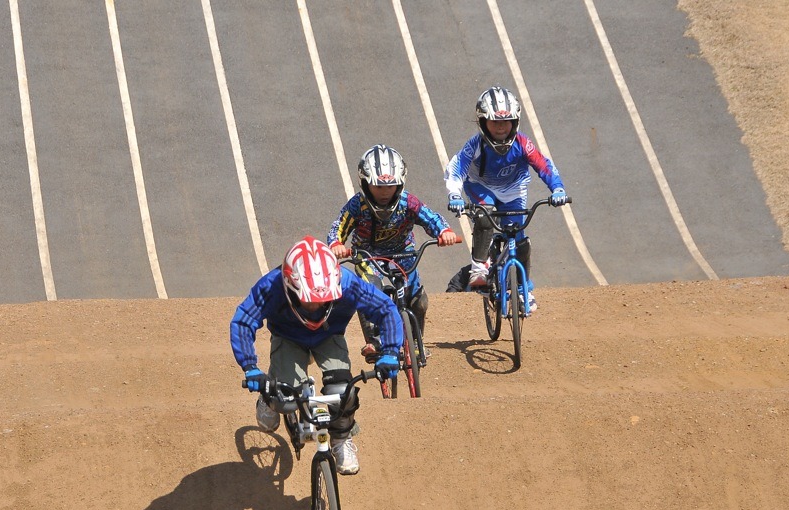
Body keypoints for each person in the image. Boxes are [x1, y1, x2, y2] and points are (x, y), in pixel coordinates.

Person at [231, 236, 403, 475]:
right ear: (290, 286)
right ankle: (267, 400)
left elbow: (385, 308)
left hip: (328, 335)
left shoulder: (348, 283)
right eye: (308, 302)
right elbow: (243, 321)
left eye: (322, 301)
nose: (314, 308)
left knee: (344, 394)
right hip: (288, 337)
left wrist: (391, 352)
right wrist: (250, 368)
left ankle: (341, 439)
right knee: (284, 398)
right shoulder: (271, 286)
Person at [328, 144, 458, 361]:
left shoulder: (408, 202)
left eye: (390, 186)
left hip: (403, 253)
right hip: (368, 255)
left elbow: (430, 217)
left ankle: (416, 342)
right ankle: (375, 341)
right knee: (370, 292)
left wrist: (444, 231)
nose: (384, 192)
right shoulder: (357, 205)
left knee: (419, 300)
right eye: (378, 187)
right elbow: (338, 228)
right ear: (365, 183)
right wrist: (336, 245)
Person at [444, 87, 569, 311]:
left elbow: (543, 165)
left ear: (516, 121)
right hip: (481, 188)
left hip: (514, 189)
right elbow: (455, 171)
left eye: (507, 121)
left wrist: (557, 189)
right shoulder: (474, 145)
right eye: (495, 122)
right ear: (483, 123)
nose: (501, 127)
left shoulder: (522, 143)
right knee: (484, 216)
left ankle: (523, 291)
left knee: (520, 239)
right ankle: (480, 267)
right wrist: (454, 195)